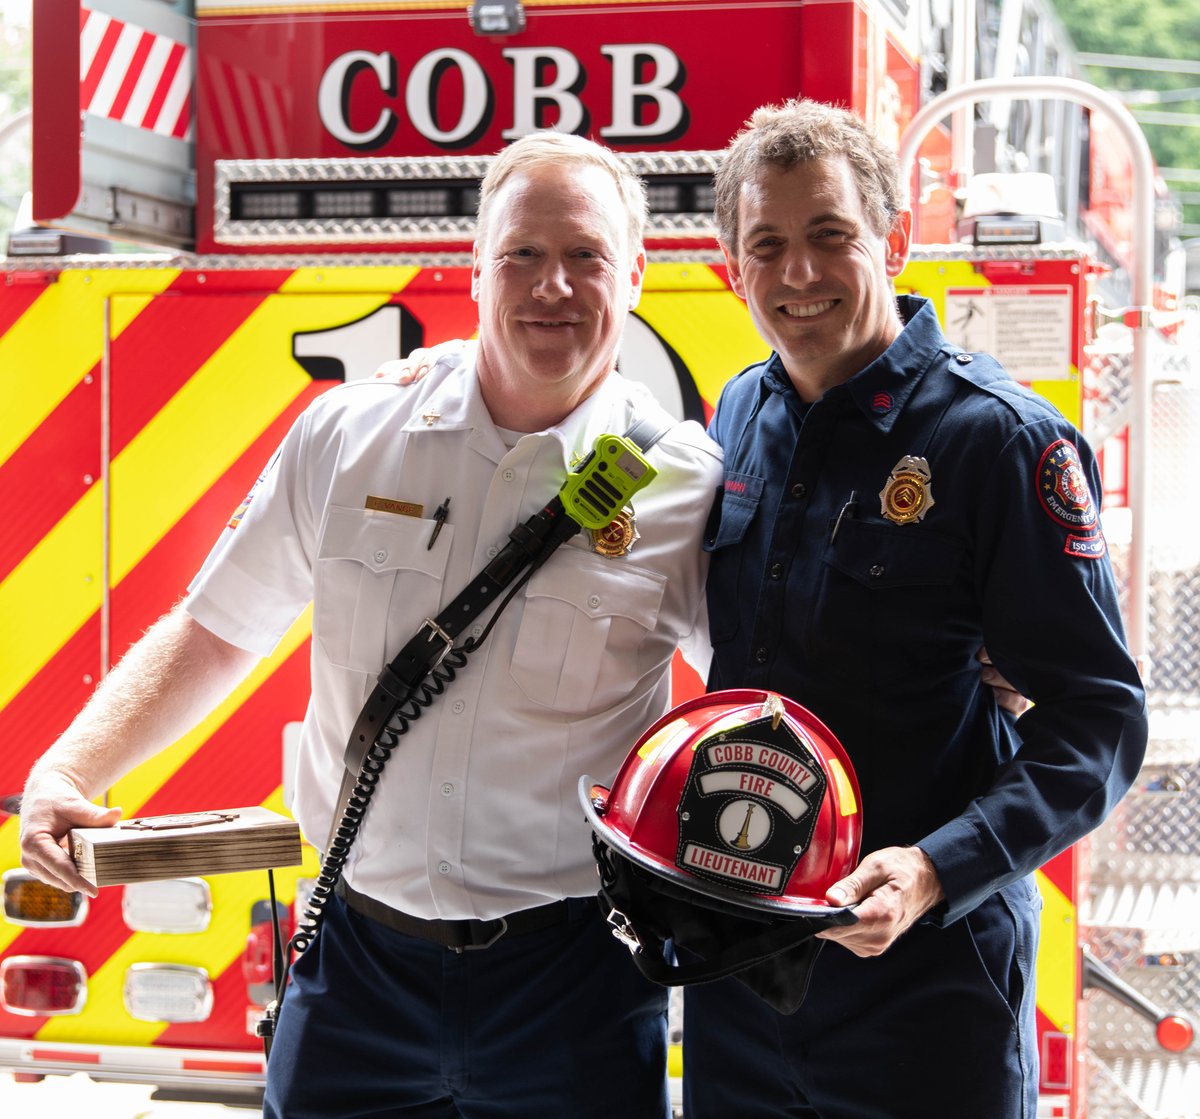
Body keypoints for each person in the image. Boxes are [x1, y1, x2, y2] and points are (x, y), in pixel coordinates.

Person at [18, 131, 724, 1119]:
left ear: (637, 275)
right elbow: (217, 629)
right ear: (477, 269)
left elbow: (759, 695)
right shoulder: (353, 437)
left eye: (585, 256)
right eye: (521, 253)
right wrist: (69, 770)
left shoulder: (686, 485)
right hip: (357, 970)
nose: (550, 285)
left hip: (576, 985)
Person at [681, 98, 1148, 1119]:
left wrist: (939, 870)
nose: (798, 273)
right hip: (744, 964)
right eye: (768, 244)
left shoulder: (1001, 443)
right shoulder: (737, 415)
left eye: (830, 235)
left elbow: (1100, 720)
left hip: (929, 984)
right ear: (731, 266)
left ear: (892, 240)